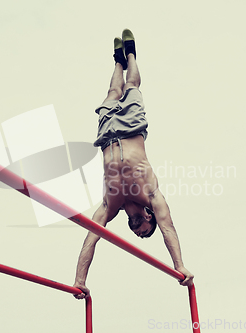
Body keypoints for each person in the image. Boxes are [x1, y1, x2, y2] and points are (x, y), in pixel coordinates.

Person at [73, 29, 194, 299]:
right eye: (143, 230)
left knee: (112, 91)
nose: (137, 231)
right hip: (131, 128)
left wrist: (79, 280)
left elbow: (91, 238)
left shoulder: (110, 205)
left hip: (106, 137)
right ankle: (130, 54)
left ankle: (117, 60)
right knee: (132, 88)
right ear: (149, 217)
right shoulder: (152, 194)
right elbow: (169, 228)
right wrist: (179, 265)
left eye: (138, 233)